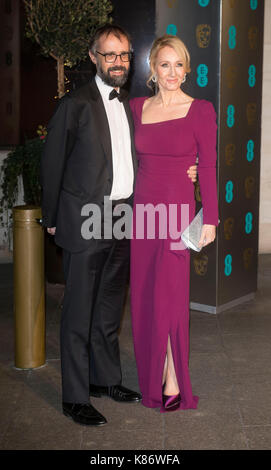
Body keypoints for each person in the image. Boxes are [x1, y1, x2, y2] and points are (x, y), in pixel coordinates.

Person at [41, 24, 199, 426]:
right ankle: (75, 396)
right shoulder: (73, 105)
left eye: (124, 55)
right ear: (93, 57)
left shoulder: (133, 106)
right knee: (78, 311)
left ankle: (106, 379)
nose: (118, 62)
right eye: (109, 54)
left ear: (132, 60)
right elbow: (52, 165)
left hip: (125, 218)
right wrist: (54, 219)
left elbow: (157, 150)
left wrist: (190, 171)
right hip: (85, 219)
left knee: (110, 308)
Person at [129, 34, 219, 413]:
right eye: (164, 64)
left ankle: (172, 375)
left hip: (178, 216)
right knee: (147, 296)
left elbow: (209, 166)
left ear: (187, 68)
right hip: (143, 216)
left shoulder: (200, 109)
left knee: (170, 297)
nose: (172, 72)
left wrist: (210, 218)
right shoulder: (136, 107)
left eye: (178, 64)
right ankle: (154, 372)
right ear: (153, 68)